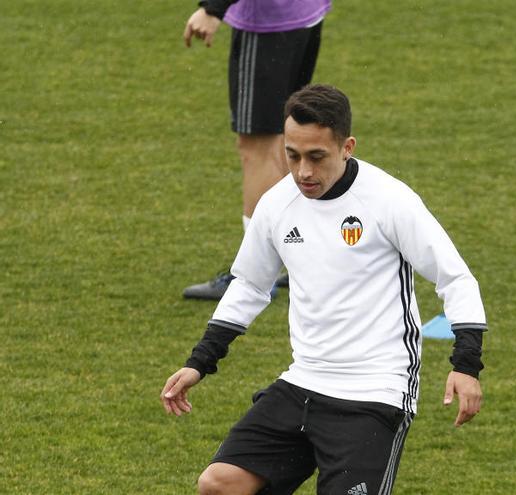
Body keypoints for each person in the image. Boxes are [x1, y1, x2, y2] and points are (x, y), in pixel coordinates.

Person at [162, 85, 488, 495]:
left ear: (347, 146)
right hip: (304, 382)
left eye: (317, 157)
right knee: (220, 484)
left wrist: (466, 364)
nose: (303, 172)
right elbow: (249, 285)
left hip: (375, 391)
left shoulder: (388, 200)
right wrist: (200, 362)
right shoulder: (277, 204)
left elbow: (455, 278)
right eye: (292, 155)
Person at [181, 0, 332, 300]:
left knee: (259, 146)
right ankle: (296, 256)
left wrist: (213, 8)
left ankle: (256, 273)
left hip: (268, 21)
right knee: (281, 139)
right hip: (304, 13)